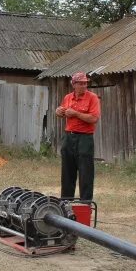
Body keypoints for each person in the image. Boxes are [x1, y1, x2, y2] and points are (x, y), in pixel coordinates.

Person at [55, 72, 100, 201]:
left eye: (85, 83)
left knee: (86, 172)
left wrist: (76, 113)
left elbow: (94, 118)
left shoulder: (92, 98)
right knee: (67, 172)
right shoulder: (68, 97)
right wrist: (59, 112)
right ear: (73, 84)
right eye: (80, 83)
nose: (84, 85)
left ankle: (85, 204)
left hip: (85, 138)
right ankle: (66, 202)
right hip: (69, 136)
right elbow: (62, 112)